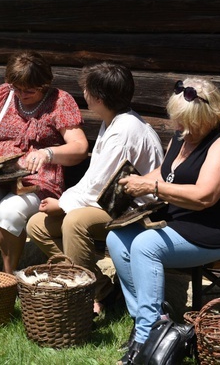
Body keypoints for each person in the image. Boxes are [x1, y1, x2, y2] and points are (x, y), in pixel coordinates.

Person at [108, 78, 220, 365]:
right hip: (180, 222)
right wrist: (132, 182)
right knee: (118, 237)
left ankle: (145, 338)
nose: (178, 128)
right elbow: (165, 174)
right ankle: (150, 324)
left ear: (206, 118)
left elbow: (204, 196)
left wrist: (151, 188)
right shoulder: (182, 137)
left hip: (218, 231)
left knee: (146, 245)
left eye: (185, 122)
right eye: (177, 121)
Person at [25, 62, 164, 315]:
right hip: (111, 202)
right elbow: (96, 179)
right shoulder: (112, 122)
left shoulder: (124, 131)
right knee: (37, 225)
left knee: (75, 222)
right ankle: (101, 289)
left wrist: (63, 204)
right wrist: (64, 203)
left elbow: (100, 186)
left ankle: (81, 300)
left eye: (87, 90)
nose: (84, 94)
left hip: (134, 210)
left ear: (98, 98)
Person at [0, 51, 89, 274]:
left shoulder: (59, 101)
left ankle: (8, 278)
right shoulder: (5, 95)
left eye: (30, 90)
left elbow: (80, 147)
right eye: (17, 88)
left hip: (36, 181)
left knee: (10, 211)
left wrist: (48, 154)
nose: (22, 94)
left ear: (44, 83)